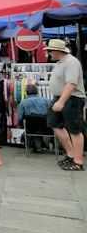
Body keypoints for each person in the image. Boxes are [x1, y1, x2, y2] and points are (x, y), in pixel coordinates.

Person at [45, 39, 85, 171]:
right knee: (54, 124)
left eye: (50, 51)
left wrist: (61, 101)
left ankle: (78, 161)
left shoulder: (71, 62)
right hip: (61, 97)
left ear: (57, 51)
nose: (49, 53)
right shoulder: (61, 62)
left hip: (72, 98)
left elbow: (71, 84)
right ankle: (71, 154)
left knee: (75, 129)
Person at [17, 84, 51, 153]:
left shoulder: (23, 102)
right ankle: (42, 146)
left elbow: (20, 118)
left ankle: (37, 147)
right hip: (46, 127)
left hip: (30, 128)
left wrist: (20, 125)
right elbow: (52, 113)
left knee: (32, 128)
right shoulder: (46, 100)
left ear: (26, 92)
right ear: (37, 91)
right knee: (39, 126)